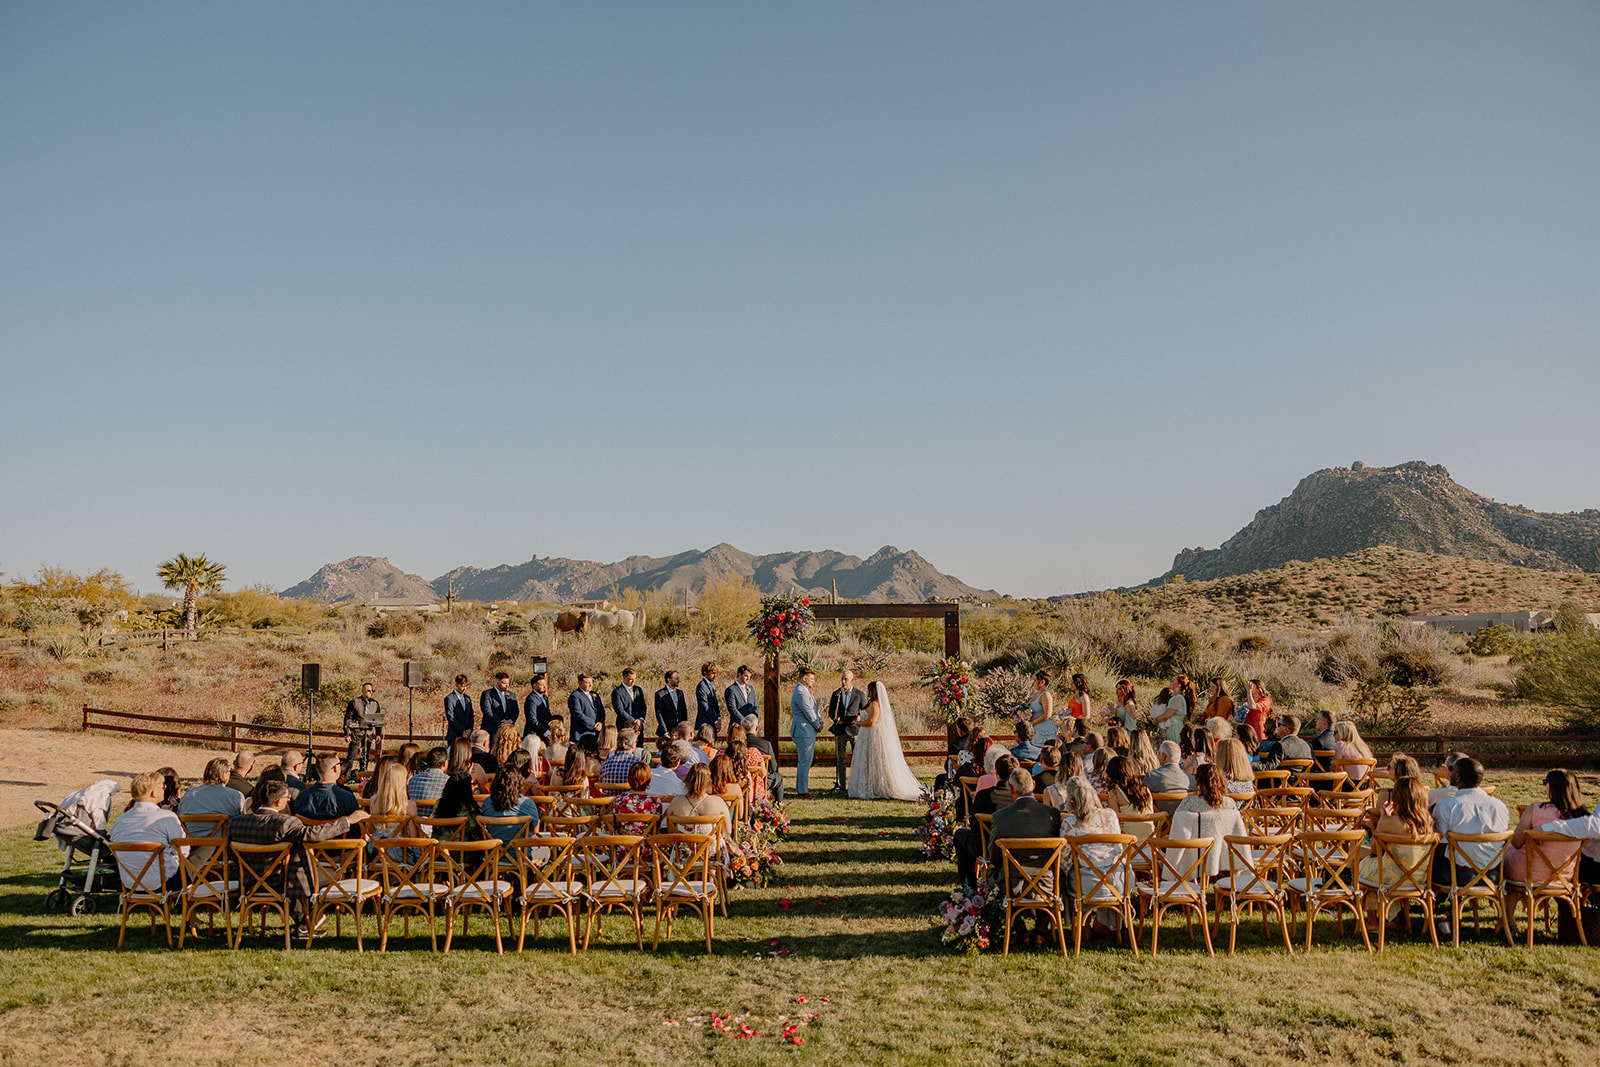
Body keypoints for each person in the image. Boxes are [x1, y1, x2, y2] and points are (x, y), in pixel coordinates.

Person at [225, 778, 369, 939]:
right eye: (288, 798)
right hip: (285, 883)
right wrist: (348, 821)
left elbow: (231, 853)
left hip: (249, 882)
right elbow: (313, 834)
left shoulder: (236, 823)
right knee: (330, 874)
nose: (289, 801)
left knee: (303, 871)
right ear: (279, 802)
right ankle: (309, 919)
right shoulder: (286, 822)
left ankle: (303, 922)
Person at [986, 768, 1062, 933]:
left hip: (1013, 884)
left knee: (992, 876)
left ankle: (1020, 930)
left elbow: (994, 857)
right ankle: (1041, 930)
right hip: (1048, 882)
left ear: (1011, 789)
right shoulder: (1052, 814)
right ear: (1034, 785)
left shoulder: (1000, 817)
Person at [1357, 775, 1434, 932]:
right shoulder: (1429, 823)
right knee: (1380, 867)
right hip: (1419, 879)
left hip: (1391, 879)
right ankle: (1398, 919)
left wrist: (1384, 817)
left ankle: (1372, 921)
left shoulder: (1389, 822)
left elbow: (1374, 849)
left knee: (1366, 865)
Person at [1430, 757, 1510, 901]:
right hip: (1494, 875)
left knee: (1431, 861)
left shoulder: (1446, 806)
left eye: (1452, 771)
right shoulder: (1499, 806)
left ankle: (1435, 907)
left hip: (1456, 876)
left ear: (1458, 778)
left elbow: (1439, 848)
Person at [110, 770, 189, 892]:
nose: (165, 789)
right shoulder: (166, 817)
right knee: (203, 850)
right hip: (163, 883)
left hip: (130, 884)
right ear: (153, 793)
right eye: (163, 786)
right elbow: (183, 851)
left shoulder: (120, 821)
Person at [1504, 769, 1589, 884]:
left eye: (1546, 783)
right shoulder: (1583, 819)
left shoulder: (1536, 809)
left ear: (1552, 787)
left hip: (1524, 872)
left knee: (1503, 854)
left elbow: (1516, 842)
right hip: (1563, 876)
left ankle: (1511, 901)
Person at [848, 681, 923, 802]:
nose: (867, 692)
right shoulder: (871, 704)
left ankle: (877, 787)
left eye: (869, 690)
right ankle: (868, 785)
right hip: (866, 736)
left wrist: (858, 723)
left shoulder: (875, 705)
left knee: (876, 761)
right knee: (868, 761)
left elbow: (871, 722)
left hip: (872, 736)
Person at [665, 763, 732, 844]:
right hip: (710, 853)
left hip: (683, 854)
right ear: (709, 782)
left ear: (688, 780)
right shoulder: (718, 802)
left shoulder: (676, 802)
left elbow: (670, 831)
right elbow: (727, 831)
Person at [178, 757, 247, 830]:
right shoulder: (235, 796)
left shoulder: (189, 795)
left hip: (190, 840)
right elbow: (241, 822)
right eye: (229, 771)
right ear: (224, 774)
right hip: (222, 840)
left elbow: (179, 821)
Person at [827, 668, 867, 792]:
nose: (844, 682)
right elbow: (831, 712)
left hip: (854, 730)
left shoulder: (859, 694)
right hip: (840, 730)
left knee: (857, 757)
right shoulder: (836, 694)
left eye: (846, 679)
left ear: (852, 680)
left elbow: (864, 710)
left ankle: (857, 783)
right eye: (842, 679)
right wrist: (835, 719)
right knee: (840, 758)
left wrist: (860, 718)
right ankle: (842, 785)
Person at [479, 766, 540, 843]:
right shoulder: (528, 803)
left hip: (494, 852)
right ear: (519, 782)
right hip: (521, 853)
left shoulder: (487, 802)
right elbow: (535, 831)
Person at [291, 755, 359, 820]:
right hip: (337, 832)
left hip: (309, 831)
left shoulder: (302, 796)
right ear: (335, 768)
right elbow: (356, 826)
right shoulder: (346, 797)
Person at [790, 667, 822, 799]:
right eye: (811, 679)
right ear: (804, 678)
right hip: (804, 731)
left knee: (806, 761)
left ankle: (801, 789)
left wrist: (820, 720)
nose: (813, 681)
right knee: (804, 762)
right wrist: (817, 724)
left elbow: (814, 709)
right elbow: (808, 711)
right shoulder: (800, 692)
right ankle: (802, 791)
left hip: (807, 730)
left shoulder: (804, 691)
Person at [366, 761, 419, 839]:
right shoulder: (408, 805)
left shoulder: (374, 800)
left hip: (375, 846)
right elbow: (414, 836)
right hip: (398, 847)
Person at [612, 762, 666, 836]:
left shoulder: (619, 800)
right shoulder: (655, 802)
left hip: (624, 844)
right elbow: (656, 829)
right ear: (648, 779)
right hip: (647, 845)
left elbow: (616, 826)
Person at [433, 740, 482, 820]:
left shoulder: (446, 769)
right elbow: (486, 790)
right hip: (471, 815)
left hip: (447, 815)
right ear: (468, 752)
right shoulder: (475, 768)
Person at [743, 714, 785, 804]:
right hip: (761, 780)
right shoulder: (765, 744)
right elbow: (773, 767)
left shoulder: (739, 744)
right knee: (778, 777)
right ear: (757, 728)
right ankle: (777, 808)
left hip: (742, 778)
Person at [343, 681, 383, 772]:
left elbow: (377, 720)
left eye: (372, 691)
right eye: (368, 690)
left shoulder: (375, 703)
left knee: (365, 756)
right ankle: (345, 774)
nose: (370, 692)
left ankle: (363, 773)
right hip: (356, 732)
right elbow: (347, 718)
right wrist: (347, 733)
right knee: (351, 756)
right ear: (363, 691)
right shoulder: (354, 702)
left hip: (368, 732)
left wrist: (377, 734)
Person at [1144, 741, 1194, 805]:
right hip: (1184, 813)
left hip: (1159, 814)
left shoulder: (1151, 776)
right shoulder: (1191, 780)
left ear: (1163, 756)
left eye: (1159, 754)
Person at [480, 672, 520, 737]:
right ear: (497, 683)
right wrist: (501, 722)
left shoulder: (511, 695)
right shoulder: (487, 694)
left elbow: (516, 711)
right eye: (504, 683)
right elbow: (487, 711)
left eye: (508, 683)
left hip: (508, 731)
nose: (507, 685)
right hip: (492, 730)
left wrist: (510, 721)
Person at [1025, 669, 1058, 747]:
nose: (1033, 683)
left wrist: (1032, 723)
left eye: (1035, 680)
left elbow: (1047, 714)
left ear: (1042, 682)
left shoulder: (1046, 695)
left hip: (1043, 731)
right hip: (1035, 730)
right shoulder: (1035, 694)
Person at [567, 674, 604, 742]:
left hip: (596, 734)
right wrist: (593, 725)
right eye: (588, 683)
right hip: (581, 734)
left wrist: (601, 723)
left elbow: (601, 710)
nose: (591, 685)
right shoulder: (575, 696)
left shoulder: (595, 695)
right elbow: (578, 714)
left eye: (591, 682)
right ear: (580, 683)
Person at [611, 668, 646, 733]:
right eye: (630, 679)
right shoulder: (617, 692)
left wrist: (641, 719)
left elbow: (643, 706)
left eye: (634, 679)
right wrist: (633, 720)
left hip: (638, 726)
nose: (633, 681)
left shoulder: (638, 689)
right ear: (624, 677)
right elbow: (620, 710)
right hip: (625, 726)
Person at [655, 670, 687, 738]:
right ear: (669, 679)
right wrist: (665, 731)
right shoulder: (660, 694)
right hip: (667, 731)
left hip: (679, 730)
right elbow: (659, 714)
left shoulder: (680, 693)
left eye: (678, 678)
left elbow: (684, 710)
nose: (678, 681)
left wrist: (684, 727)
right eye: (676, 679)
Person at [724, 665, 758, 730]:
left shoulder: (751, 688)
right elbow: (732, 709)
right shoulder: (731, 690)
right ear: (739, 674)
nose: (748, 678)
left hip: (751, 728)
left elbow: (755, 706)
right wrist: (744, 721)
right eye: (746, 676)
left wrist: (754, 720)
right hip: (737, 726)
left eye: (749, 677)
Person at [444, 674, 475, 746]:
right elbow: (451, 717)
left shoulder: (467, 698)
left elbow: (471, 715)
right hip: (455, 735)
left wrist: (470, 730)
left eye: (466, 686)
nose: (464, 688)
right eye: (462, 686)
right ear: (456, 685)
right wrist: (462, 731)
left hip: (467, 736)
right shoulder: (449, 698)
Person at [695, 662, 722, 739]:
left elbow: (715, 704)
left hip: (713, 723)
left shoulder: (712, 685)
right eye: (712, 673)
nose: (715, 676)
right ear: (705, 673)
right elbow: (705, 705)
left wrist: (719, 718)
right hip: (705, 722)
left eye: (715, 673)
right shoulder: (701, 686)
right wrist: (715, 721)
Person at [522, 673, 551, 743]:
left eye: (545, 684)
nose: (544, 687)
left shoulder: (544, 697)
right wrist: (546, 732)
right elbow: (532, 719)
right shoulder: (531, 699)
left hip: (544, 734)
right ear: (535, 686)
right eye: (542, 685)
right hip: (534, 734)